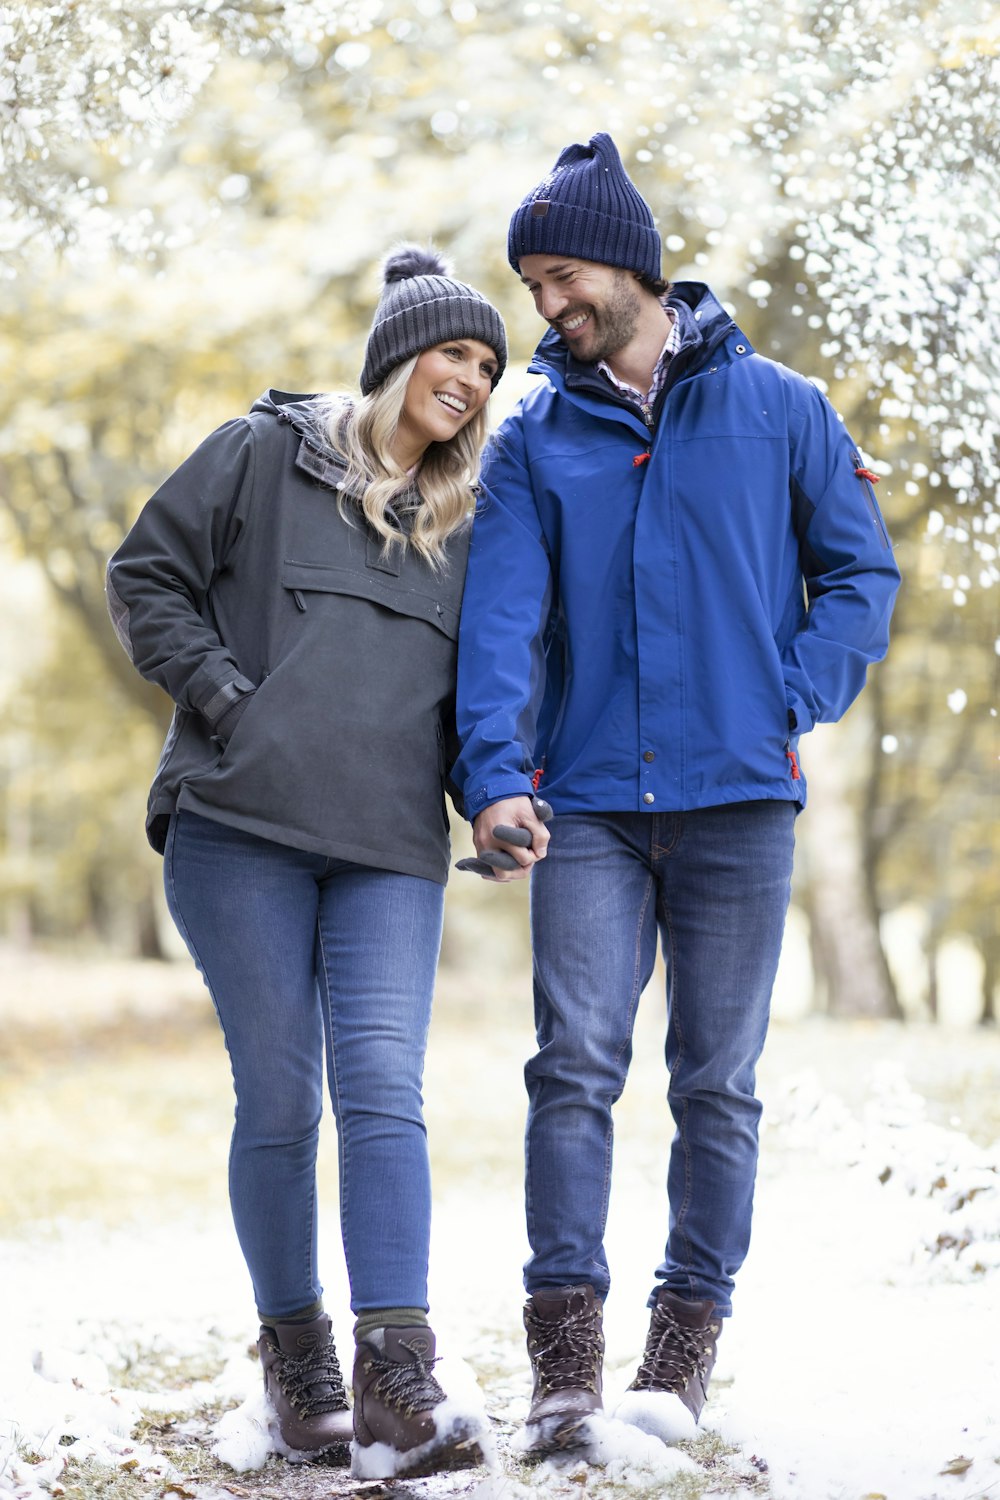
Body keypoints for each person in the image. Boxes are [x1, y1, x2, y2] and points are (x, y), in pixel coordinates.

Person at [452, 133, 901, 1454]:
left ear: (636, 265)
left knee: (717, 1081)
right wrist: (491, 775)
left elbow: (858, 575)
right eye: (533, 285)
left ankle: (679, 1361)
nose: (549, 304)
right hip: (585, 802)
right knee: (573, 1068)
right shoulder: (535, 431)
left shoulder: (784, 408)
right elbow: (501, 621)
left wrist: (791, 694)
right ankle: (565, 1377)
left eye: (565, 273)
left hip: (739, 807)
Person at [106, 247, 506, 1479]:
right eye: (456, 352)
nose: (474, 382)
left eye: (491, 368)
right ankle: (299, 1361)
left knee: (383, 1090)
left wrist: (492, 803)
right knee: (282, 1097)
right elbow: (146, 576)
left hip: (389, 846)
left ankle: (398, 1372)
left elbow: (474, 700)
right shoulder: (257, 454)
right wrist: (231, 700)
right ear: (397, 355)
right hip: (241, 834)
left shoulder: (463, 523)